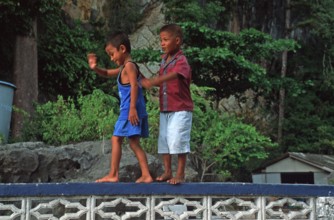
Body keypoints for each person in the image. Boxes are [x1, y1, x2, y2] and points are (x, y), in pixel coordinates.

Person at [87, 32, 153, 183]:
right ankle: (146, 174)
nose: (111, 58)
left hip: (129, 111)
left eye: (112, 54)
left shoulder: (129, 66)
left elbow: (135, 86)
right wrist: (95, 67)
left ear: (122, 49)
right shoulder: (126, 67)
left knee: (116, 138)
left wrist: (132, 109)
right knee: (134, 143)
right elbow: (107, 72)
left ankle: (113, 174)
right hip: (132, 110)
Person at [141, 24, 193, 184]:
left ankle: (180, 173)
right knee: (164, 139)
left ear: (177, 41)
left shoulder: (181, 61)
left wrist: (156, 79)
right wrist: (144, 80)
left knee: (178, 139)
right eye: (160, 40)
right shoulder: (164, 60)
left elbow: (175, 75)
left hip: (181, 109)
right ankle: (168, 171)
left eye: (165, 40)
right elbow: (161, 82)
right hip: (166, 108)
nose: (162, 43)